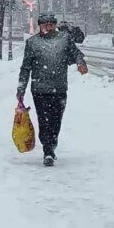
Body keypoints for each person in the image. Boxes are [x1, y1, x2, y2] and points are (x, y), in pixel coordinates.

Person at [17, 14, 88, 167]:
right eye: (45, 24)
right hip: (40, 89)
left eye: (51, 24)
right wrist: (21, 88)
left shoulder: (64, 39)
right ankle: (47, 150)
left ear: (55, 25)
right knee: (44, 121)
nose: (48, 27)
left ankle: (52, 143)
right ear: (39, 26)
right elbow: (26, 67)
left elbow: (76, 53)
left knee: (56, 120)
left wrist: (80, 62)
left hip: (59, 88)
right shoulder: (32, 43)